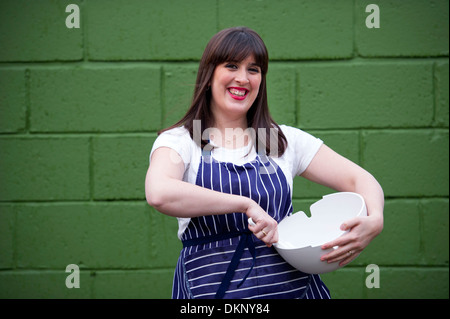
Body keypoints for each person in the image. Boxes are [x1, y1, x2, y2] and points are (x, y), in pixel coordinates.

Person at [145, 26, 384, 299]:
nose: (243, 78)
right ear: (209, 74)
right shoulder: (182, 141)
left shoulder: (281, 140)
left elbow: (360, 180)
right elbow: (159, 192)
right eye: (231, 66)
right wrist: (245, 205)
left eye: (254, 69)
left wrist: (375, 219)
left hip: (295, 291)